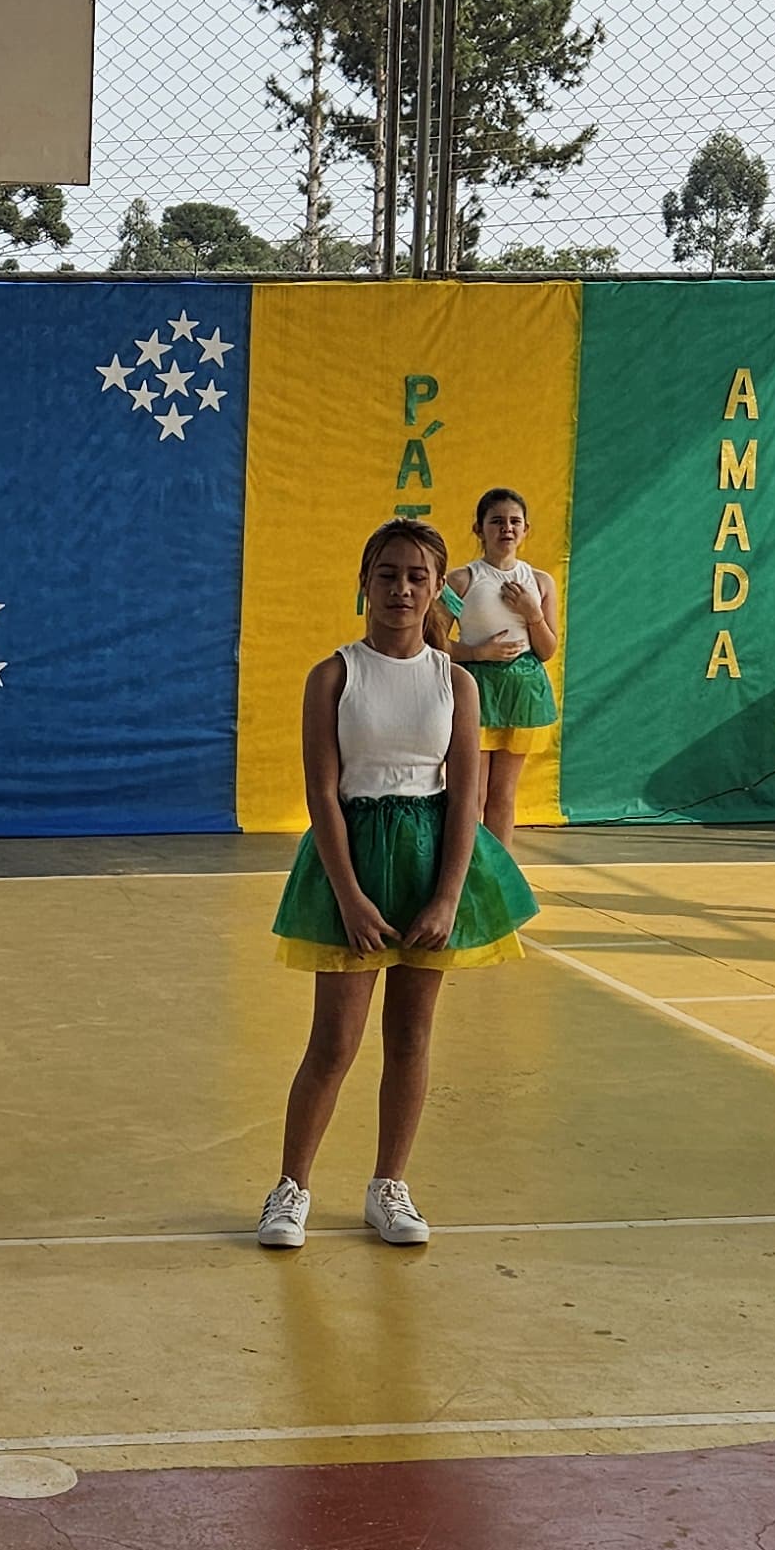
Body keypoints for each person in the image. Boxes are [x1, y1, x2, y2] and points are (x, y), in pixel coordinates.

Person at [257, 518, 543, 1252]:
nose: (402, 588)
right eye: (387, 574)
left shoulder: (456, 683)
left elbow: (468, 801)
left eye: (417, 576)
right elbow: (323, 794)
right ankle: (291, 1187)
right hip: (353, 861)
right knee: (333, 1043)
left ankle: (389, 1185)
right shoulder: (333, 676)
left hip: (429, 862)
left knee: (411, 1039)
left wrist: (448, 896)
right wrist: (348, 894)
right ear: (364, 584)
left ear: (436, 590)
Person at [442, 487, 558, 834]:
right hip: (475, 691)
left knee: (503, 796)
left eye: (514, 522)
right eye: (496, 521)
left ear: (525, 530)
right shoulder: (462, 580)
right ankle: (467, 870)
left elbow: (548, 649)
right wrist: (478, 653)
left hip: (522, 694)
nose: (506, 528)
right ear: (479, 529)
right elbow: (433, 641)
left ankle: (499, 877)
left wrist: (532, 614)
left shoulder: (540, 582)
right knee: (471, 795)